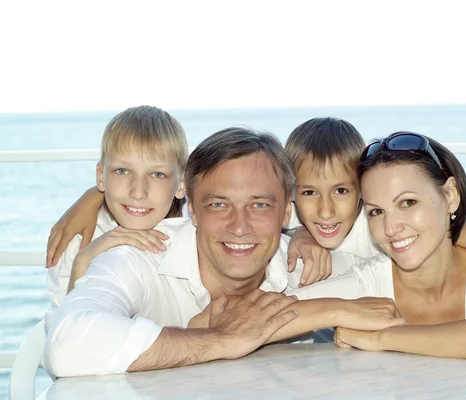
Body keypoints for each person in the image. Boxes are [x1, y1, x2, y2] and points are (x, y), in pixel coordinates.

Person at [44, 127, 404, 377]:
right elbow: (68, 343)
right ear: (193, 210)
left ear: (287, 211)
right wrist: (223, 339)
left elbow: (417, 280)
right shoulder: (139, 256)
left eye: (260, 205)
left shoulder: (308, 263)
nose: (240, 226)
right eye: (218, 205)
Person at [289, 131, 466, 361]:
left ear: (449, 196)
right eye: (376, 212)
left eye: (408, 203)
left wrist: (386, 338)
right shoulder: (369, 281)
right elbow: (279, 315)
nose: (391, 228)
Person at [284, 117, 466, 301]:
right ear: (293, 196)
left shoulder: (377, 223)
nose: (325, 210)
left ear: (362, 193)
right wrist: (302, 233)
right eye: (309, 192)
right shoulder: (293, 218)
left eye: (342, 191)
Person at [46, 105, 188, 312]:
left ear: (182, 183)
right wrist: (84, 260)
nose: (138, 192)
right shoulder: (79, 242)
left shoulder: (191, 239)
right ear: (100, 176)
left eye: (157, 174)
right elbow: (64, 334)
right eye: (122, 171)